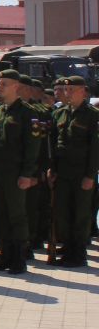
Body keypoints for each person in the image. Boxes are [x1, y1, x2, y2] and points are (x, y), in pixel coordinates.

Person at [0, 69, 39, 274]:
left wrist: (27, 173)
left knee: (16, 216)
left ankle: (19, 258)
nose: (0, 87)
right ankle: (5, 256)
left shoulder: (27, 112)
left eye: (4, 83)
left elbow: (32, 146)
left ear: (16, 86)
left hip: (15, 173)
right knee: (1, 215)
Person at [48, 75, 98, 267]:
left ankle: (78, 254)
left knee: (80, 214)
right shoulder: (60, 113)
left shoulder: (92, 115)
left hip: (81, 173)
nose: (68, 93)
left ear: (83, 92)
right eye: (66, 90)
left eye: (72, 90)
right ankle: (67, 250)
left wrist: (90, 175)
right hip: (63, 172)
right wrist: (52, 168)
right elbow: (53, 144)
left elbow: (95, 148)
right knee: (63, 213)